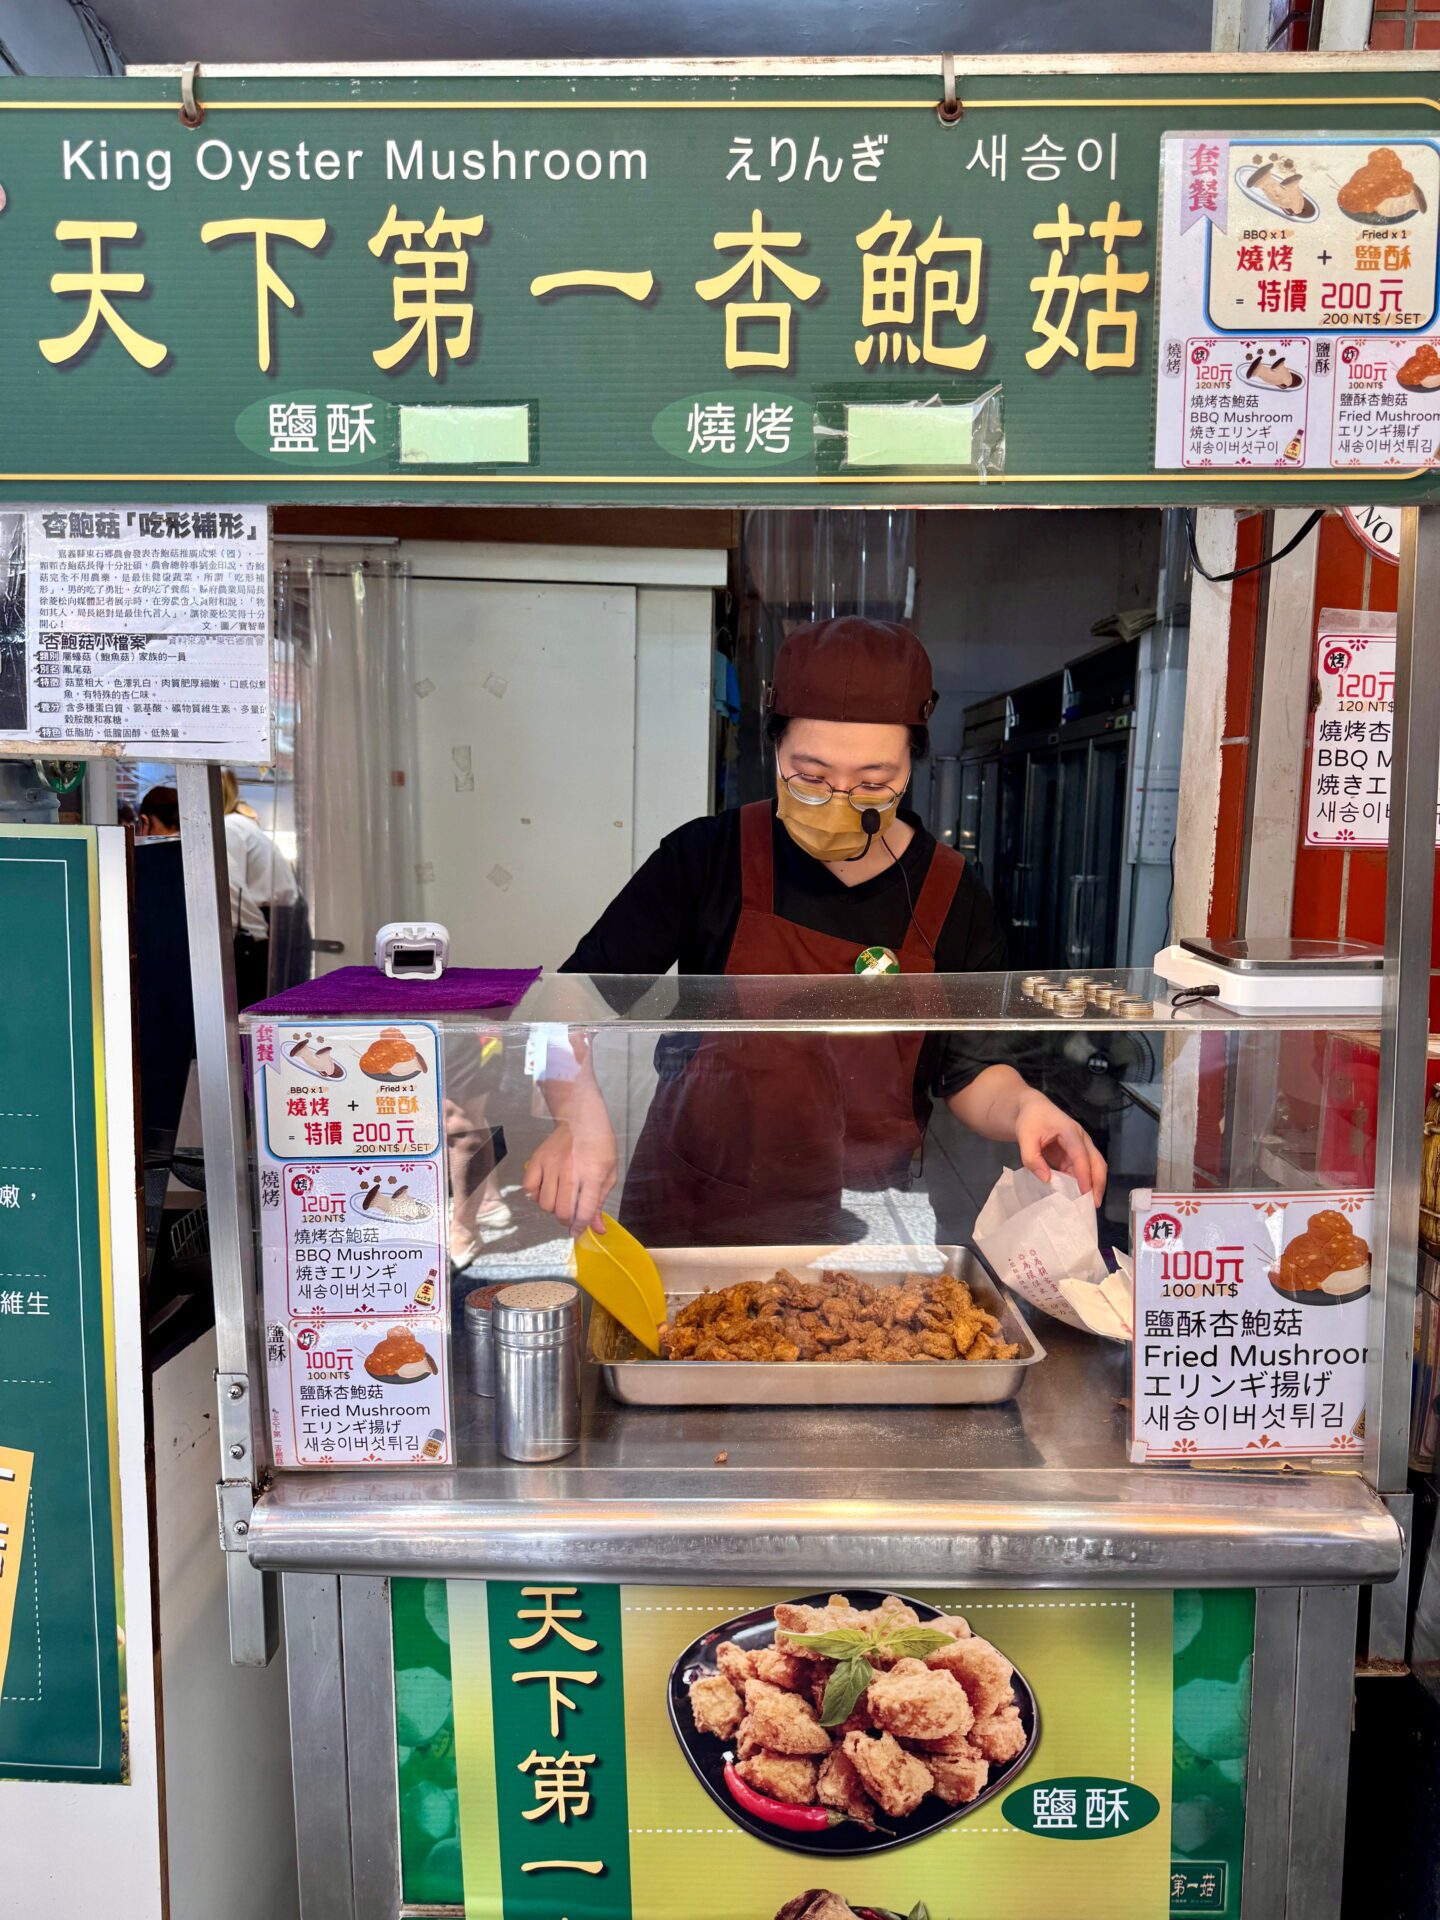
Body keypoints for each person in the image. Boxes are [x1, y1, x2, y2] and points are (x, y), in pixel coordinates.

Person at [522, 616, 1105, 1244]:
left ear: (912, 763)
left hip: (868, 1215)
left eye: (873, 781)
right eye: (812, 775)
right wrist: (574, 1117)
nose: (839, 798)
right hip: (693, 1203)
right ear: (775, 748)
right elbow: (565, 999)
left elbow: (968, 1072)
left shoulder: (953, 894)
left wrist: (1025, 1107)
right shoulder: (708, 858)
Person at [220, 770, 300, 1009]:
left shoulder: (228, 826)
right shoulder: (238, 823)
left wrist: (254, 939)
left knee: (256, 1006)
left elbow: (232, 889)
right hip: (278, 917)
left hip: (268, 922)